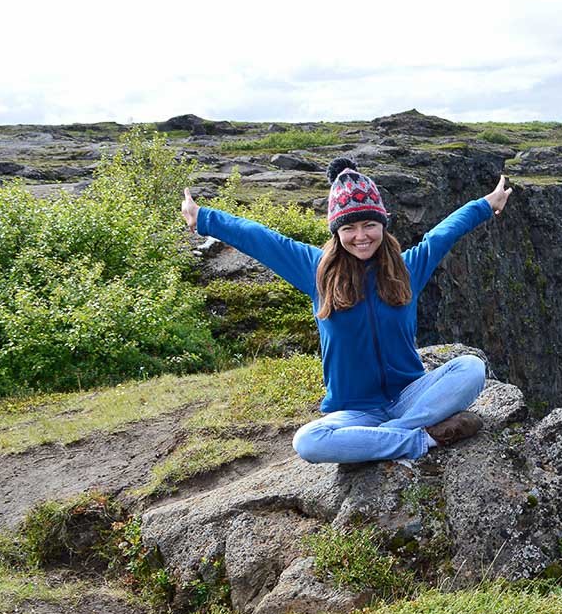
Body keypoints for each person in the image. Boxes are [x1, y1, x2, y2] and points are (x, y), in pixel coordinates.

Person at [180, 156, 513, 464]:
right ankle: (420, 441)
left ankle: (384, 436)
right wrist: (205, 218)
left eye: (369, 224)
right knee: (308, 441)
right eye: (348, 229)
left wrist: (487, 204)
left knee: (470, 368)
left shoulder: (407, 269)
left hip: (411, 396)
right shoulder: (316, 270)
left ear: (383, 224)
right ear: (336, 233)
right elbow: (260, 238)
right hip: (355, 411)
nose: (360, 236)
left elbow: (445, 232)